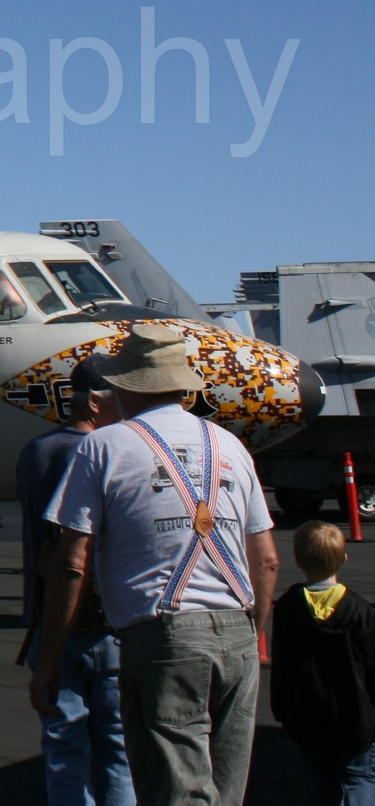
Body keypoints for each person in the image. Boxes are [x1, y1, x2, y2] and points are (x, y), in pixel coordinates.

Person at [32, 322, 279, 806]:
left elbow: (72, 563)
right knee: (226, 792)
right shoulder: (230, 446)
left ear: (126, 386)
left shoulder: (103, 447)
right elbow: (266, 560)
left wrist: (51, 657)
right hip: (238, 631)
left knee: (174, 791)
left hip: (163, 635)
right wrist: (253, 632)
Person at [18, 355, 133, 806]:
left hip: (47, 617)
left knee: (65, 745)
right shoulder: (105, 452)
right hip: (107, 620)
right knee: (118, 746)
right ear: (97, 403)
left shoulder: (35, 451)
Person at [270, 520, 375, 803]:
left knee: (320, 779)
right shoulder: (359, 609)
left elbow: (282, 664)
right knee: (359, 776)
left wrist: (281, 707)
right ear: (343, 558)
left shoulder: (289, 607)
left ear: (298, 560)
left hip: (307, 714)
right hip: (354, 715)